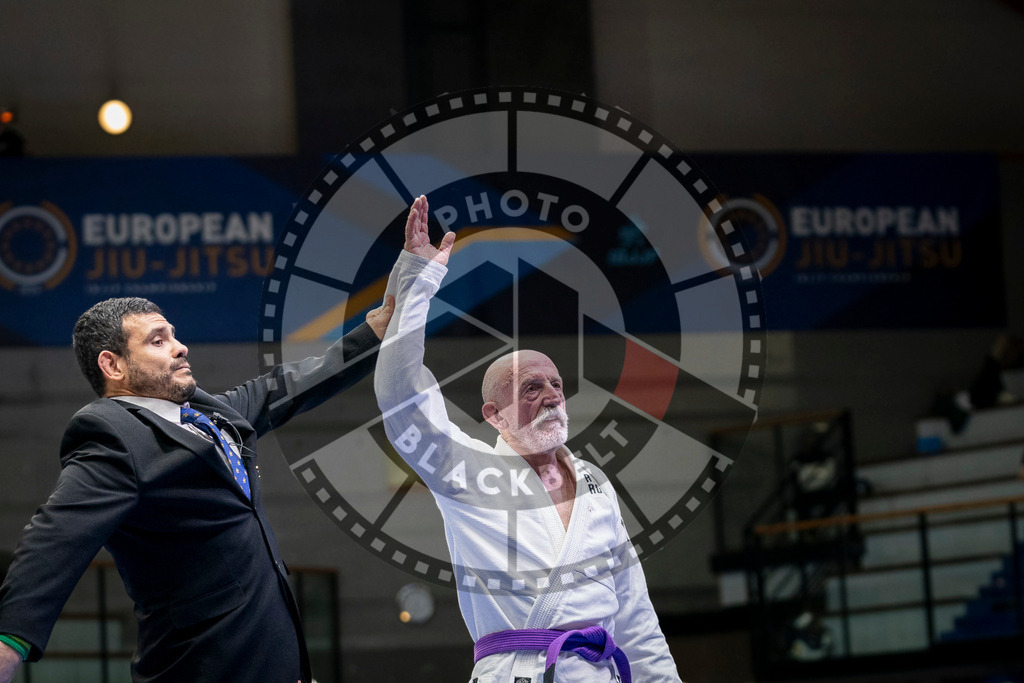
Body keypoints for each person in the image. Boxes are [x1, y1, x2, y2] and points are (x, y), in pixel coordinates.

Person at [0, 293, 394, 682]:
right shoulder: (111, 437)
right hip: (205, 667)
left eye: (173, 335)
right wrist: (9, 641)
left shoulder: (207, 415)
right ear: (112, 365)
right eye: (158, 340)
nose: (179, 347)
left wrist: (375, 331)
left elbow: (287, 387)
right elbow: (56, 535)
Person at [375, 196, 682, 682]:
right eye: (531, 388)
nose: (551, 397)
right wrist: (418, 281)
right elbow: (402, 401)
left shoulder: (595, 483)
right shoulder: (468, 470)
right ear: (493, 415)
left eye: (557, 386)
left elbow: (635, 615)